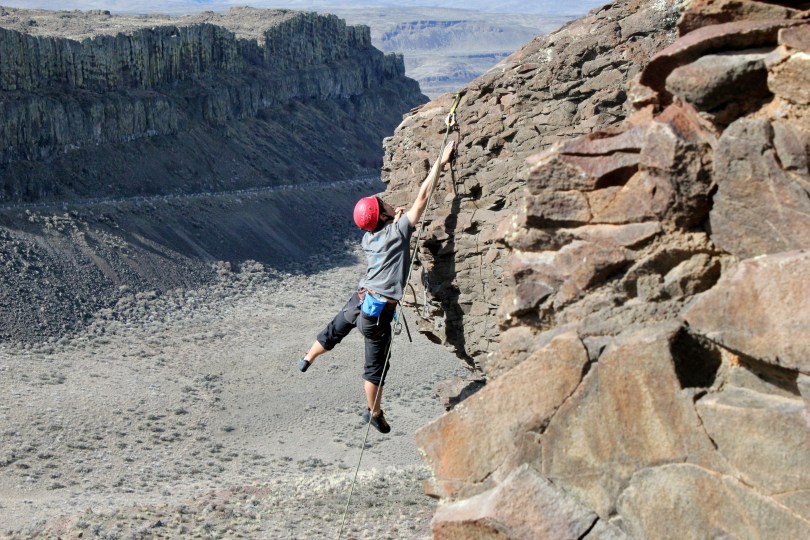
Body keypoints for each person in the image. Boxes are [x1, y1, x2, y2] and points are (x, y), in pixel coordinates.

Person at [297, 140, 455, 433]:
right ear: (382, 215)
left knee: (334, 330)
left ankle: (308, 358)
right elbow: (423, 196)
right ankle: (374, 412)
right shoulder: (398, 231)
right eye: (383, 205)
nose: (386, 202)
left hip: (359, 299)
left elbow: (387, 233)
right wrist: (441, 161)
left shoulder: (368, 238)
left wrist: (395, 219)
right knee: (375, 369)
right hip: (377, 314)